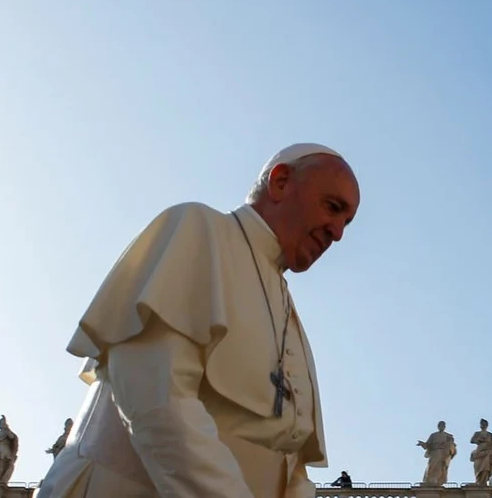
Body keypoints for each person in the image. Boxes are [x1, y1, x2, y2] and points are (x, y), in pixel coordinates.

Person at [35, 143, 361, 498]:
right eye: (333, 208)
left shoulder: (288, 314)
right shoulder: (197, 228)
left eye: (347, 222)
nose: (338, 233)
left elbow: (290, 459)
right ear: (280, 182)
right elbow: (158, 397)